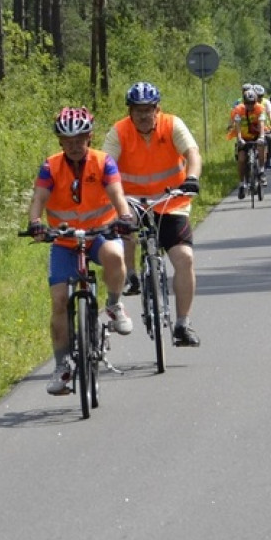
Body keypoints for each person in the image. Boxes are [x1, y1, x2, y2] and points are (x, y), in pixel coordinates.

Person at [26, 106, 136, 395]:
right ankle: (62, 366)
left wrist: (124, 217)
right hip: (64, 241)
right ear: (60, 142)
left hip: (99, 233)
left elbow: (116, 193)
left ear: (90, 137)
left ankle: (113, 304)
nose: (74, 146)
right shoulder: (51, 166)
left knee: (115, 255)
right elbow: (39, 197)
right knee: (59, 300)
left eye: (80, 139)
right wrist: (35, 223)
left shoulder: (104, 162)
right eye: (68, 140)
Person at [102, 81, 203, 347]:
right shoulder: (119, 132)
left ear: (157, 109)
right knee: (125, 227)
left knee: (185, 259)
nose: (144, 115)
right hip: (132, 201)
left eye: (148, 109)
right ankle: (132, 275)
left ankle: (183, 324)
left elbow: (192, 153)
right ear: (130, 111)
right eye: (138, 110)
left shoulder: (172, 125)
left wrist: (191, 178)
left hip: (171, 202)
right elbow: (105, 165)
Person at [228, 87, 267, 199]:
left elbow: (261, 123)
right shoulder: (239, 109)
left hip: (256, 136)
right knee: (241, 160)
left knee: (261, 147)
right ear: (244, 103)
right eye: (247, 103)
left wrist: (262, 136)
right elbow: (238, 127)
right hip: (244, 137)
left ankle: (261, 170)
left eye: (252, 103)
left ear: (255, 102)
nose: (250, 106)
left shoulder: (260, 108)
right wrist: (239, 138)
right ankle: (242, 184)